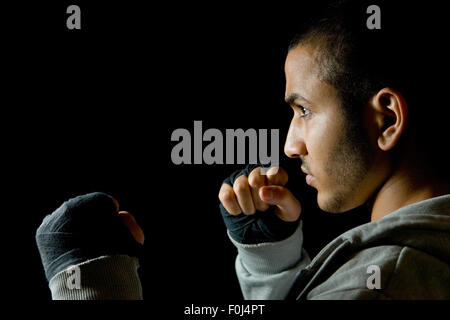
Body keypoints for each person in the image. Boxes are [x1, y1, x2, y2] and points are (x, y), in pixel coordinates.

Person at [218, 0, 450, 299]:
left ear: (387, 120)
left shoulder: (372, 287)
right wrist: (272, 265)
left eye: (304, 110)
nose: (290, 146)